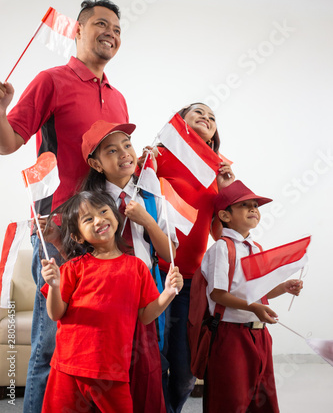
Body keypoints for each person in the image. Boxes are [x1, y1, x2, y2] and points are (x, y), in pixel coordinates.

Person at [0, 0, 129, 413]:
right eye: (100, 24)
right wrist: (1, 109)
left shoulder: (119, 97)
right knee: (52, 340)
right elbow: (8, 143)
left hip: (106, 231)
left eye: (117, 28)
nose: (111, 32)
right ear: (77, 31)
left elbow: (117, 167)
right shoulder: (51, 80)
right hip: (58, 230)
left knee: (94, 340)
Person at [40, 190, 183, 413]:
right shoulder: (72, 268)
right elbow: (55, 314)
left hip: (113, 371)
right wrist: (55, 286)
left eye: (104, 211)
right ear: (78, 236)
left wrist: (168, 293)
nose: (99, 220)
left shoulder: (137, 267)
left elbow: (146, 316)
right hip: (67, 366)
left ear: (117, 217)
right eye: (88, 219)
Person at [80, 119, 179, 412]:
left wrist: (146, 220)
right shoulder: (91, 204)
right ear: (96, 165)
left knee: (148, 357)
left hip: (147, 284)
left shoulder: (153, 197)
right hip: (107, 289)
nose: (124, 153)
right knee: (111, 359)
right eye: (111, 151)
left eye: (127, 146)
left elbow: (168, 253)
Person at [151, 102, 235, 412]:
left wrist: (226, 187)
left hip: (190, 281)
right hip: (154, 275)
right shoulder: (159, 156)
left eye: (212, 117)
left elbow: (218, 231)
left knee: (186, 371)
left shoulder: (216, 169)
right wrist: (144, 165)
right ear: (180, 122)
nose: (206, 118)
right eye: (198, 112)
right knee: (154, 359)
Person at [201, 180, 304, 412]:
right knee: (231, 400)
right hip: (230, 335)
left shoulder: (255, 248)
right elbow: (218, 294)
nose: (253, 210)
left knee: (261, 400)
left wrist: (284, 286)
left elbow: (260, 291)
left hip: (259, 335)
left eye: (255, 206)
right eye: (244, 205)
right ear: (225, 216)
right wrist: (254, 308)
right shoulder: (221, 248)